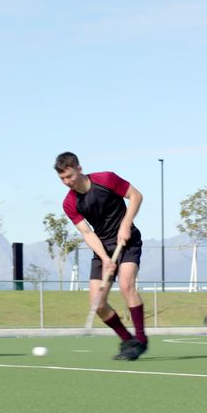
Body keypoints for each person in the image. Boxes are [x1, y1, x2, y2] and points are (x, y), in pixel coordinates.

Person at [55, 152, 148, 361]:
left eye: (69, 176)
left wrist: (125, 224)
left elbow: (136, 196)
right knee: (97, 303)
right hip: (103, 248)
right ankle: (127, 340)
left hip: (128, 241)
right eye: (62, 179)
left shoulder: (106, 179)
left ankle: (141, 340)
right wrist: (105, 258)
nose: (67, 182)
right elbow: (87, 232)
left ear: (79, 169)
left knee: (126, 285)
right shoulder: (70, 203)